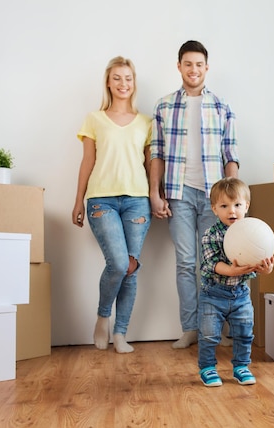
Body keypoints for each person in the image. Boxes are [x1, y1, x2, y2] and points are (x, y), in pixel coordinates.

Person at [150, 40, 239, 349]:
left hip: (215, 197)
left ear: (206, 67)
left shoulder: (221, 105)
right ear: (179, 67)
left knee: (217, 261)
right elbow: (156, 152)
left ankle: (216, 329)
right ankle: (190, 329)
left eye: (199, 64)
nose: (193, 69)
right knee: (187, 263)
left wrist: (234, 200)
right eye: (188, 64)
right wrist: (154, 193)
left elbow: (230, 152)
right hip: (179, 194)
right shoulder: (164, 106)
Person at [72, 56, 152, 354]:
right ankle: (103, 316)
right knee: (118, 263)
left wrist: (156, 195)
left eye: (128, 78)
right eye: (117, 78)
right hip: (101, 199)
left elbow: (150, 163)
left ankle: (121, 334)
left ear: (134, 83)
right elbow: (87, 161)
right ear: (108, 82)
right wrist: (78, 200)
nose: (123, 83)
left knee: (130, 267)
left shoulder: (146, 122)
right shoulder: (94, 119)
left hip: (137, 202)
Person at [198, 177, 274, 386]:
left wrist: (267, 268)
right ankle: (207, 368)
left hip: (240, 294)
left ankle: (241, 366)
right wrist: (230, 270)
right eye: (224, 206)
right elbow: (210, 263)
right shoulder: (210, 236)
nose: (232, 211)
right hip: (213, 295)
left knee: (244, 332)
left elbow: (262, 263)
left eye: (237, 205)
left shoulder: (254, 234)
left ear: (246, 206)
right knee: (208, 335)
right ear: (214, 209)